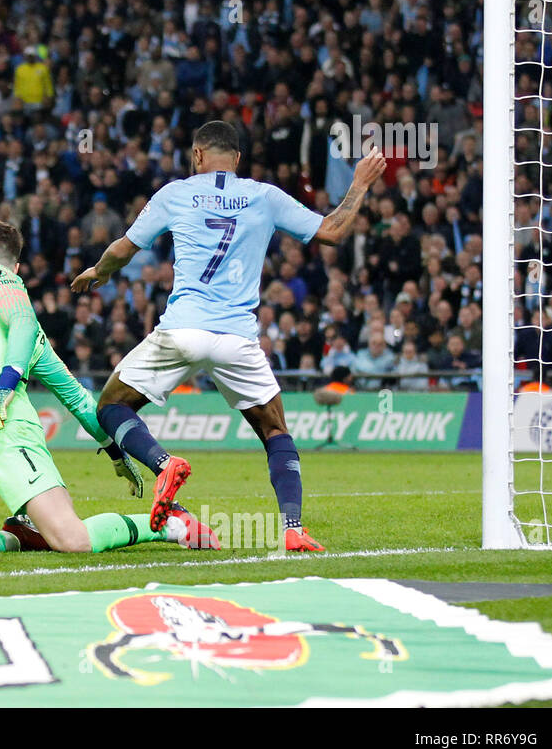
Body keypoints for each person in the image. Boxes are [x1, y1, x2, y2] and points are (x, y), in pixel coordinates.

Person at [73, 120, 385, 552]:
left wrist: (97, 271)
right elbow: (332, 231)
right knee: (275, 430)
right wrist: (360, 183)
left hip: (182, 329)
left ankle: (164, 464)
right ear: (237, 159)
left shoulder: (175, 193)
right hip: (238, 338)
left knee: (110, 406)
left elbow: (123, 249)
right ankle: (293, 528)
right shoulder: (264, 196)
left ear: (198, 155)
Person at [0, 221, 217, 554]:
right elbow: (79, 400)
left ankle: (169, 523)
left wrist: (4, 388)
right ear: (19, 264)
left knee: (73, 542)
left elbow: (22, 321)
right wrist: (114, 451)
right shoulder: (26, 335)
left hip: (8, 436)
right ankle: (21, 537)